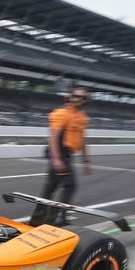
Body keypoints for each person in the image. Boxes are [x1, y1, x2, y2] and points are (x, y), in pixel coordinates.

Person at [41, 87, 92, 223]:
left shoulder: (82, 117)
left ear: (85, 100)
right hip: (57, 152)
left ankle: (41, 216)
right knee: (70, 184)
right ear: (70, 97)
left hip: (66, 155)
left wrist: (86, 160)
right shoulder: (61, 113)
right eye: (75, 96)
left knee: (52, 185)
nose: (78, 99)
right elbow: (53, 138)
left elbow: (83, 139)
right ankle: (61, 219)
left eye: (81, 97)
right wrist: (56, 159)